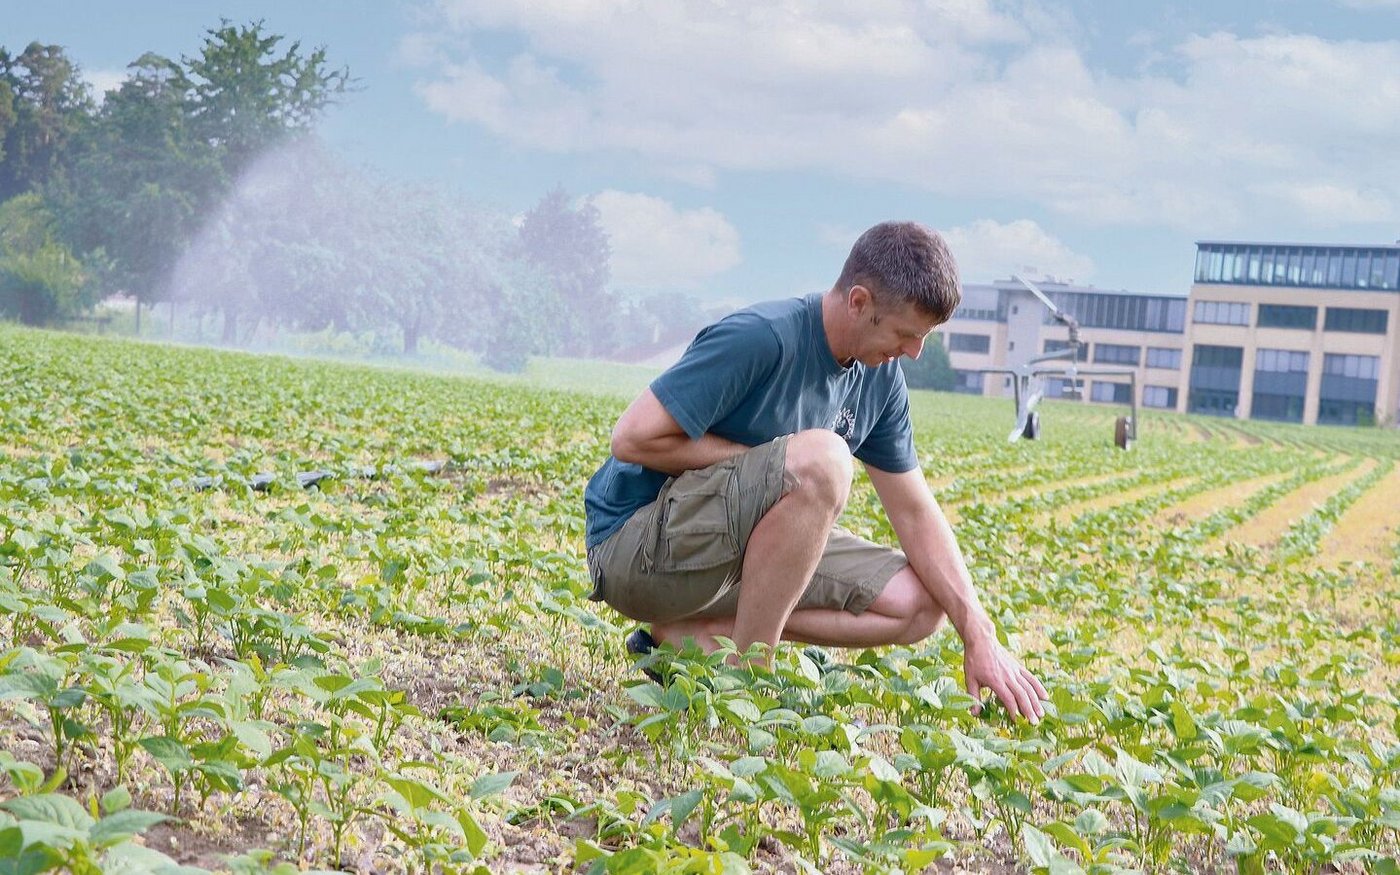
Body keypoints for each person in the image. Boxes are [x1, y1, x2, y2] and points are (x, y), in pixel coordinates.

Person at [582, 221, 1047, 722]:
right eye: (906, 334)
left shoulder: (880, 377)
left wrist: (979, 633)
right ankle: (748, 680)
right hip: (636, 549)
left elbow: (914, 512)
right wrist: (775, 464)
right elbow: (631, 438)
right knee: (823, 459)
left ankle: (685, 639)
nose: (914, 352)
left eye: (924, 337)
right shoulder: (762, 337)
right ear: (859, 302)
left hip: (723, 561)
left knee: (922, 604)